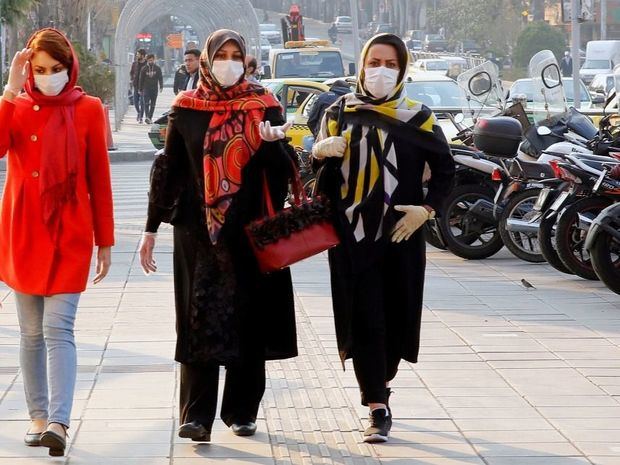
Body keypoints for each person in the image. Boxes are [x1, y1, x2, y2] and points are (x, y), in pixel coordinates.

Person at [139, 29, 297, 443]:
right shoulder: (187, 108)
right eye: (221, 55)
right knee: (197, 318)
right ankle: (196, 415)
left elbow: (284, 176)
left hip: (250, 232)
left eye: (235, 55)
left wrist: (273, 145)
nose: (228, 62)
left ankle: (243, 410)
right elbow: (169, 170)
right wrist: (150, 229)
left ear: (246, 60)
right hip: (197, 232)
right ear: (208, 61)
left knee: (249, 318)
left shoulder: (265, 106)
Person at [312, 33, 455, 443]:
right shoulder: (339, 111)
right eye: (373, 62)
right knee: (364, 316)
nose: (380, 71)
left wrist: (425, 210)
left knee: (395, 316)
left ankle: (383, 380)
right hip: (351, 236)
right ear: (361, 65)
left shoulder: (418, 117)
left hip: (400, 235)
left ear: (402, 68)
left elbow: (446, 172)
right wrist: (319, 152)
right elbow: (319, 177)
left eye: (390, 64)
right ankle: (376, 403)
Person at [0, 28, 114, 456]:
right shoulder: (16, 105)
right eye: (41, 69)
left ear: (70, 68)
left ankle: (60, 422)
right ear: (30, 69)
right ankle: (37, 416)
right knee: (30, 333)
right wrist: (10, 89)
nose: (49, 76)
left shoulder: (88, 109)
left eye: (57, 69)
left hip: (69, 232)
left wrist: (105, 240)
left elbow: (99, 179)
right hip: (22, 231)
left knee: (57, 327)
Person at [138, 53, 163, 124]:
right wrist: (140, 89)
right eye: (149, 61)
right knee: (146, 103)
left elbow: (160, 78)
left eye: (151, 60)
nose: (150, 62)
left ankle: (150, 117)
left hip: (154, 88)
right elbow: (141, 79)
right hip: (146, 88)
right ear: (147, 60)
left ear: (154, 60)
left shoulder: (157, 68)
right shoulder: (144, 69)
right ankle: (147, 117)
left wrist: (161, 86)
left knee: (153, 104)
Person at [130, 48, 147, 122]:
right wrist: (132, 78)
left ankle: (141, 117)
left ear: (142, 55)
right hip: (136, 85)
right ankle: (139, 112)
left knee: (142, 102)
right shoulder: (135, 63)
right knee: (135, 101)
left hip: (144, 86)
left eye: (138, 54)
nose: (137, 56)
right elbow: (131, 72)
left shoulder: (147, 64)